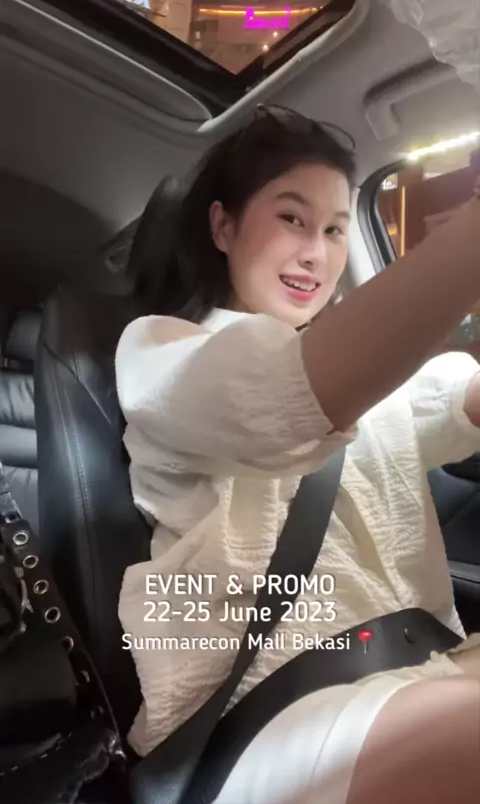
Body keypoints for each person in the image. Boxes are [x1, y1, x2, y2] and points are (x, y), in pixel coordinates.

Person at [115, 105, 480, 804]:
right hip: (269, 716)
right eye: (292, 218)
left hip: (420, 669)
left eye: (337, 229)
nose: (318, 253)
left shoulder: (368, 379)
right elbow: (281, 401)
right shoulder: (164, 353)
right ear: (223, 227)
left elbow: (446, 396)